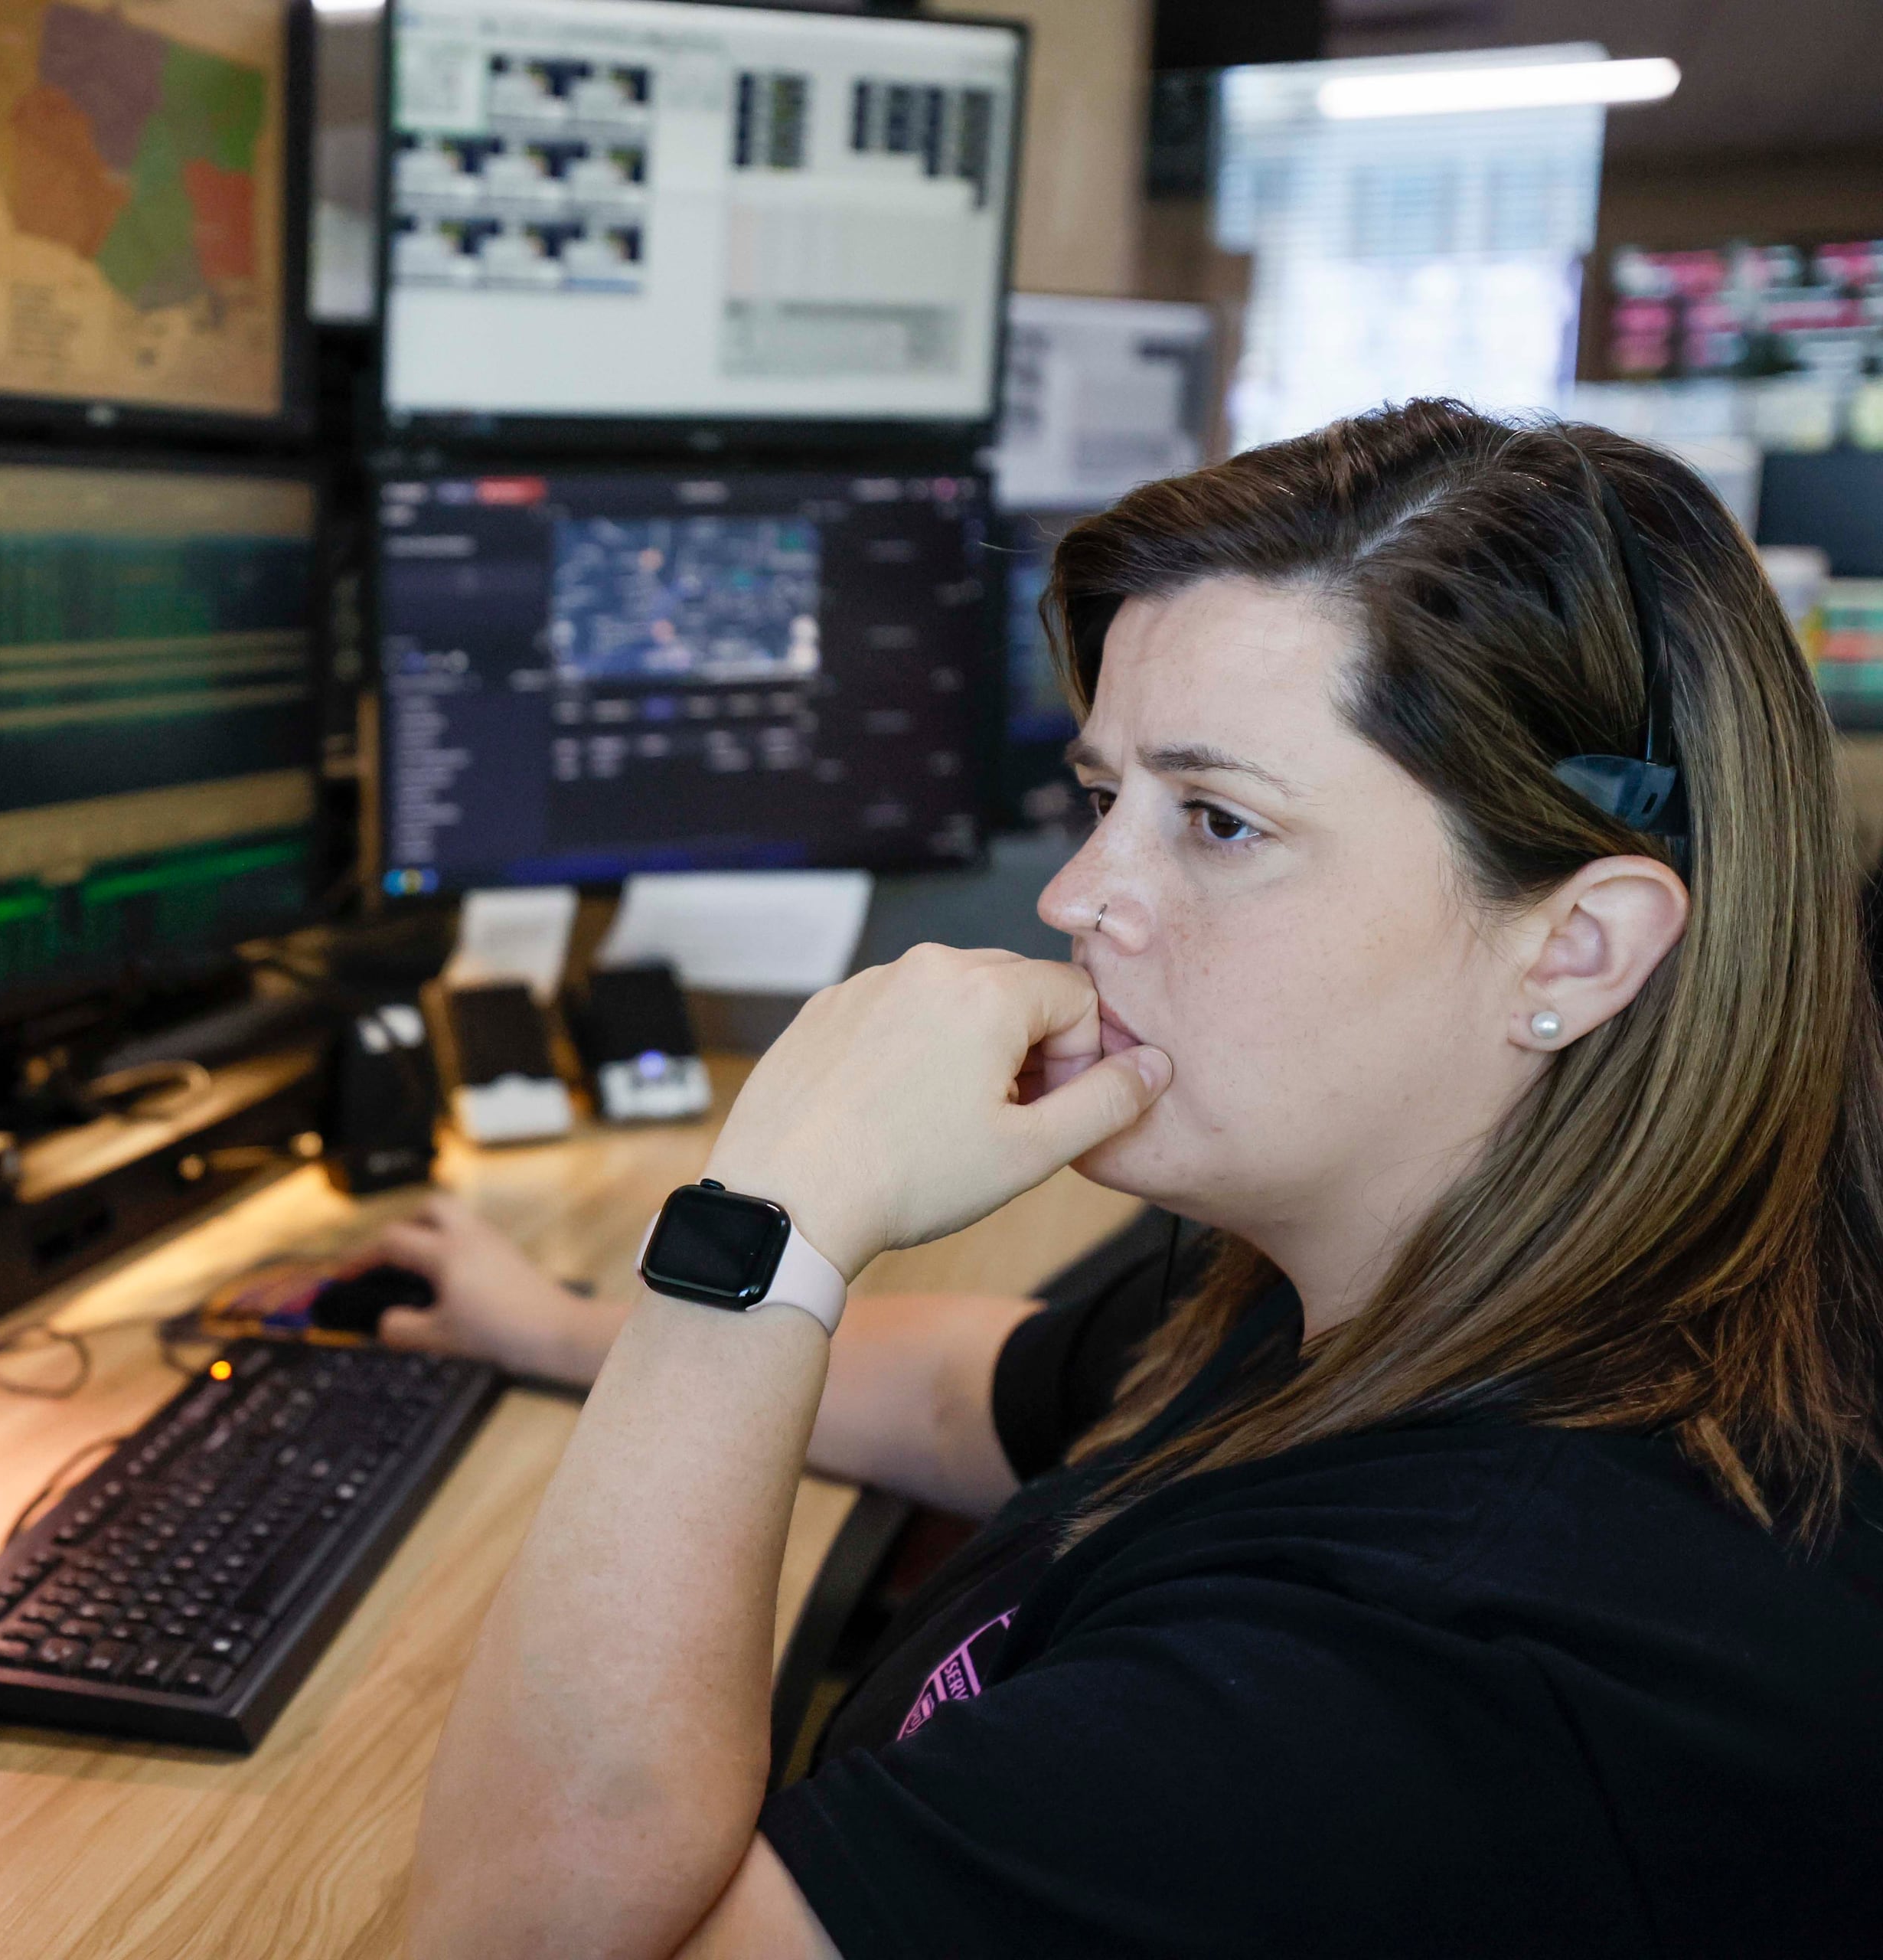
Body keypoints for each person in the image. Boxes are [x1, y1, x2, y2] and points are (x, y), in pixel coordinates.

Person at [397, 401, 1883, 1958]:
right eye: (1108, 798)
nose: (1077, 894)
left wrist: (764, 1223)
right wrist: (554, 1324)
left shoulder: (1430, 1677)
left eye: (1220, 821)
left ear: (1576, 947)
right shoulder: (1409, 1253)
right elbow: (992, 1388)